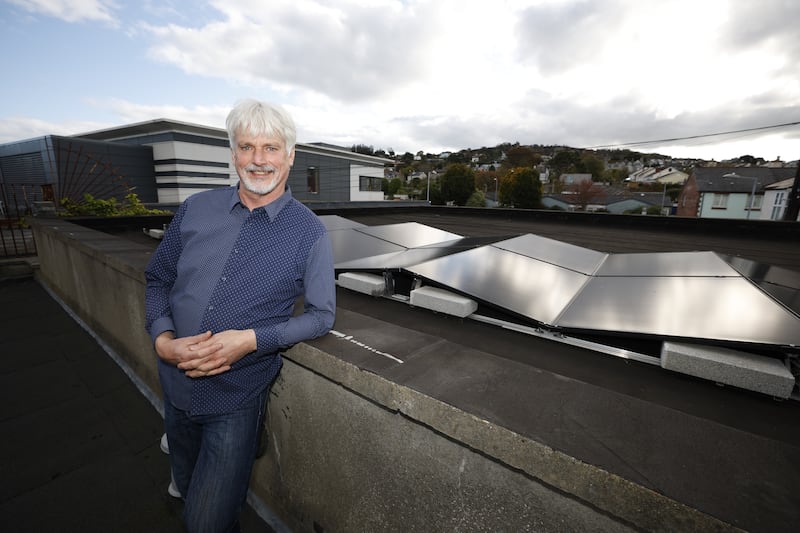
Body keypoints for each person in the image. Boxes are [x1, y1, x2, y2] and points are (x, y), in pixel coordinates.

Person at [145, 99, 336, 532]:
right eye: (247, 147)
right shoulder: (194, 209)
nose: (259, 160)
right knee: (184, 484)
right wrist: (162, 341)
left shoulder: (310, 233)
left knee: (207, 523)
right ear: (233, 154)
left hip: (236, 399)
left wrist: (250, 339)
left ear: (290, 156)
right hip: (174, 388)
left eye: (271, 148)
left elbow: (322, 317)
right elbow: (157, 278)